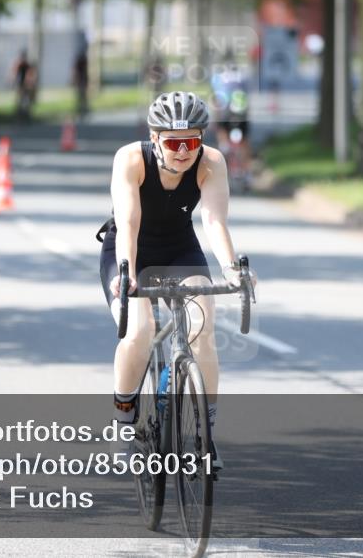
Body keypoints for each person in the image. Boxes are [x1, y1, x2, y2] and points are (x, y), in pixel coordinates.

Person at [96, 91, 257, 468]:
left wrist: (232, 269)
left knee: (202, 328)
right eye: (173, 143)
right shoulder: (130, 159)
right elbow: (129, 222)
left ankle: (204, 436)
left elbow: (214, 221)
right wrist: (127, 272)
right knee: (139, 330)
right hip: (131, 248)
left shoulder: (211, 162)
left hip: (179, 248)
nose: (183, 151)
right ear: (155, 139)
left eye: (191, 142)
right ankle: (123, 422)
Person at [72, 49, 89, 118]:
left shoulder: (82, 63)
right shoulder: (82, 63)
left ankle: (82, 108)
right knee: (81, 95)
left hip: (82, 81)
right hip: (81, 81)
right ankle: (82, 109)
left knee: (82, 96)